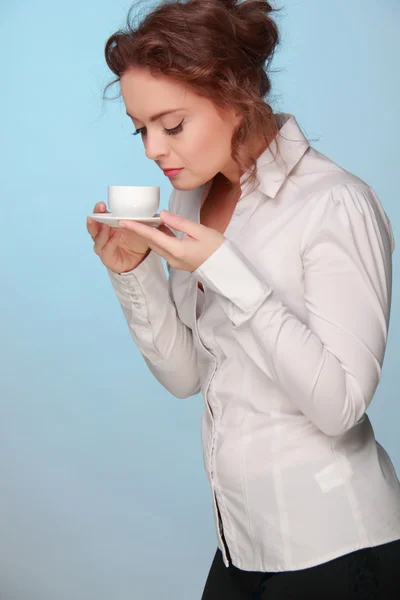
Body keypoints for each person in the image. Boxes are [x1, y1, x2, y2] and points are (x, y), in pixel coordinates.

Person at [86, 1, 400, 597]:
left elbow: (340, 406)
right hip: (240, 547)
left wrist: (223, 267)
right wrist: (133, 276)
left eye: (171, 125)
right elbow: (187, 377)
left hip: (337, 552)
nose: (153, 149)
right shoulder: (192, 200)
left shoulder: (334, 203)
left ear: (235, 97)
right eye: (141, 128)